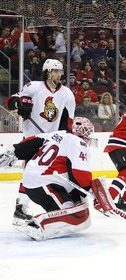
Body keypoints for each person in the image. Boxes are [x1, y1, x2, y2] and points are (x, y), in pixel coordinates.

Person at [0, 117, 101, 241]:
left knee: (77, 208)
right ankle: (37, 225)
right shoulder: (78, 142)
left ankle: (44, 218)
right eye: (87, 133)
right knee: (77, 216)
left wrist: (15, 151)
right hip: (45, 184)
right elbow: (79, 175)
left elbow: (32, 141)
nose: (88, 137)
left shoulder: (57, 134)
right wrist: (94, 193)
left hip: (37, 182)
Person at [6, 58, 76, 225]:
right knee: (31, 172)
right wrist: (19, 104)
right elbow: (12, 100)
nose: (59, 74)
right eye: (55, 71)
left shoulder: (67, 93)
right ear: (47, 72)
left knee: (48, 174)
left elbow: (68, 120)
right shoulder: (34, 87)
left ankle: (58, 204)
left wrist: (65, 138)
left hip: (51, 141)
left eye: (60, 71)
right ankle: (21, 208)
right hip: (31, 138)